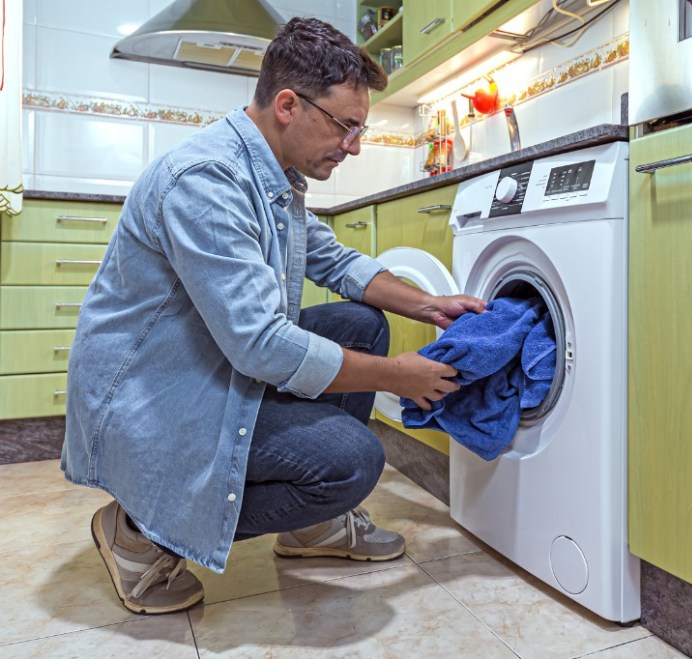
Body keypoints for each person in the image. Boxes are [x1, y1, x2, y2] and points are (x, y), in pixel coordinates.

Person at [60, 17, 485, 615]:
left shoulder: (272, 179)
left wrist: (429, 303)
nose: (355, 146)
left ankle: (311, 528)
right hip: (154, 398)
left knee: (360, 324)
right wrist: (398, 376)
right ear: (289, 105)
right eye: (347, 126)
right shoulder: (208, 180)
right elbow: (262, 346)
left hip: (204, 365)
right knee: (354, 462)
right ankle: (139, 532)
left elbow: (333, 260)